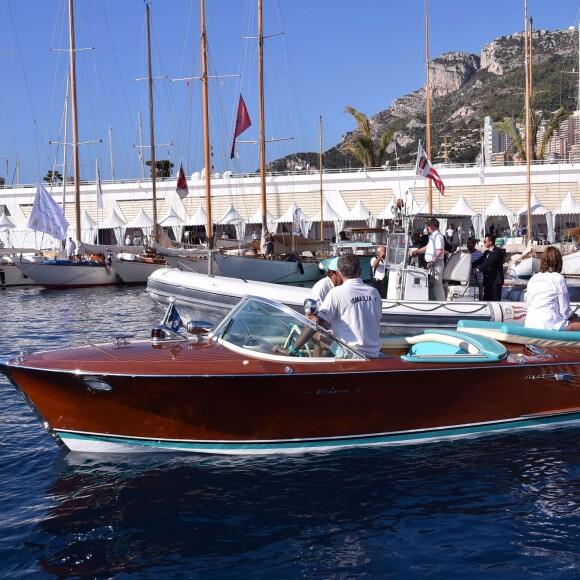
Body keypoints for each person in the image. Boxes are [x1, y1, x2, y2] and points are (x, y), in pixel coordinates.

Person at [275, 254, 382, 358]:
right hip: (374, 353)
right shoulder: (374, 292)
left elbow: (315, 323)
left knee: (319, 337)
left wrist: (291, 350)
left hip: (351, 355)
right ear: (360, 270)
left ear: (338, 272)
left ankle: (316, 372)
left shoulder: (336, 293)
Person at [525, 247, 580, 331]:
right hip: (550, 324)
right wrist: (573, 316)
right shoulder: (558, 278)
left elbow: (528, 304)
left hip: (530, 323)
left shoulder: (533, 278)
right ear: (559, 262)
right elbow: (565, 312)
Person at [409, 217, 446, 301]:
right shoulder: (433, 236)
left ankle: (442, 303)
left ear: (433, 226)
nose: (427, 227)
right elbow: (427, 247)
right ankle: (434, 302)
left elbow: (439, 251)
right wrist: (416, 251)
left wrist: (433, 261)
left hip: (436, 263)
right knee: (432, 284)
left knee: (437, 284)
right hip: (432, 264)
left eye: (428, 225)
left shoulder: (438, 236)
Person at [471, 233, 505, 301]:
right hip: (487, 280)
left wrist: (478, 269)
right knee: (486, 299)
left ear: (490, 242)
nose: (484, 243)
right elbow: (479, 261)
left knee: (495, 299)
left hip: (496, 281)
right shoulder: (486, 252)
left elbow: (489, 262)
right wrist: (469, 265)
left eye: (485, 241)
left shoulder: (498, 251)